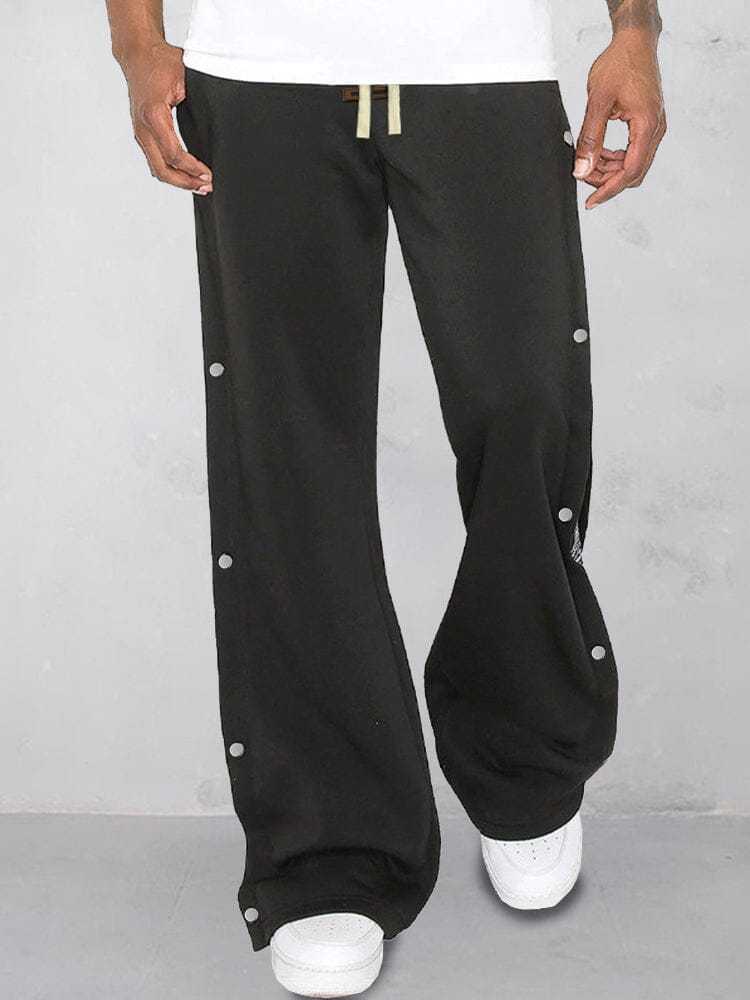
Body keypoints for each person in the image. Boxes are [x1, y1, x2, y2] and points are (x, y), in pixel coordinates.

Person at [106, 1, 665, 995]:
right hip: (265, 72)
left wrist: (635, 29)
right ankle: (332, 850)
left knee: (523, 407)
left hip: (484, 63)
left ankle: (520, 755)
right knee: (289, 452)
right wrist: (136, 41)